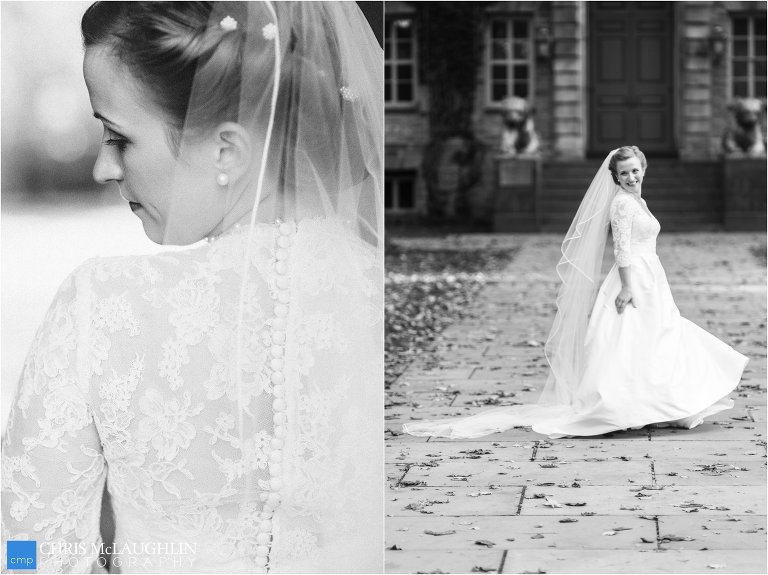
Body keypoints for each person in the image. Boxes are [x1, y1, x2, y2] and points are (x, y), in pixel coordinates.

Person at [2, 2, 383, 573]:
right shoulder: (385, 297)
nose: (104, 168)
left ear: (227, 151)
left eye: (118, 137)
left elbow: (30, 556)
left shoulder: (102, 305)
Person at [404, 146, 748, 439]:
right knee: (633, 340)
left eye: (635, 170)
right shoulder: (622, 204)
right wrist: (628, 287)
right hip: (634, 278)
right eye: (624, 173)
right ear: (615, 177)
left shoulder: (637, 200)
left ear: (644, 169)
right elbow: (621, 249)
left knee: (656, 338)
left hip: (651, 277)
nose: (631, 177)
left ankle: (661, 403)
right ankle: (630, 406)